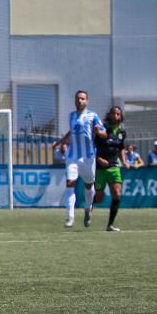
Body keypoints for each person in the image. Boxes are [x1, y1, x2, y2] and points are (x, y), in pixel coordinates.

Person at [52, 90, 105, 228]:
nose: (80, 101)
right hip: (72, 156)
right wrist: (59, 143)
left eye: (82, 99)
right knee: (70, 183)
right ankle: (70, 217)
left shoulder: (93, 116)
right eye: (78, 98)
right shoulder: (72, 116)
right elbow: (71, 132)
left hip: (88, 157)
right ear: (75, 100)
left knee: (89, 185)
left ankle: (88, 209)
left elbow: (104, 132)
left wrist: (100, 132)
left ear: (87, 101)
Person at [93, 106, 129, 232]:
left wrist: (124, 161)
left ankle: (110, 225)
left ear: (121, 116)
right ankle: (89, 205)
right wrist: (98, 159)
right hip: (100, 168)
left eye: (118, 114)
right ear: (110, 115)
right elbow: (92, 148)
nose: (115, 116)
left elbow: (121, 148)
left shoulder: (122, 132)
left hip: (114, 166)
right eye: (113, 114)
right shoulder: (102, 129)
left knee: (117, 195)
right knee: (99, 198)